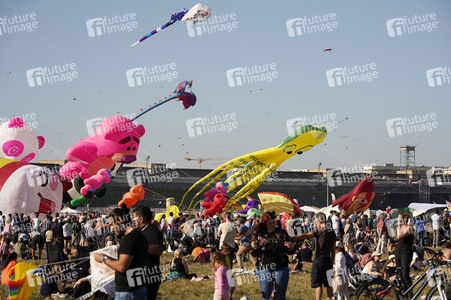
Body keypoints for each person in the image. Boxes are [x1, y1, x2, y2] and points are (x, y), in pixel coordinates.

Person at [93, 207, 148, 299]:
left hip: (128, 292)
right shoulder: (138, 235)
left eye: (112, 225)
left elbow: (122, 267)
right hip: (135, 288)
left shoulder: (129, 239)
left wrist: (103, 258)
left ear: (119, 219)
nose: (112, 229)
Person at [250, 212, 295, 300]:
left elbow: (290, 251)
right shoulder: (261, 235)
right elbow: (255, 253)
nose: (272, 225)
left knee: (280, 296)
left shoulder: (282, 233)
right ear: (265, 224)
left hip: (281, 267)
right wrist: (254, 247)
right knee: (266, 295)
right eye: (270, 223)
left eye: (273, 222)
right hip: (264, 268)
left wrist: (291, 246)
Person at [294, 212, 336, 300]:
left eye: (316, 221)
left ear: (319, 220)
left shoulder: (320, 229)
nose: (316, 223)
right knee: (329, 284)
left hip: (319, 259)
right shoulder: (332, 231)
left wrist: (294, 237)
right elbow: (333, 248)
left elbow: (307, 235)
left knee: (318, 284)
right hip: (328, 259)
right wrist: (332, 261)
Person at [131, 206, 165, 300]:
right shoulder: (142, 230)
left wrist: (140, 241)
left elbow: (158, 250)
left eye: (134, 218)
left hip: (149, 275)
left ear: (141, 219)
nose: (133, 221)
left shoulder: (151, 231)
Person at [395, 212, 414, 294]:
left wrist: (399, 226)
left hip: (406, 251)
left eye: (400, 219)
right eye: (398, 219)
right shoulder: (399, 228)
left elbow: (400, 236)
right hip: (398, 250)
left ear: (405, 219)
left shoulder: (409, 228)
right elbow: (397, 238)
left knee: (405, 273)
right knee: (400, 274)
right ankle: (405, 292)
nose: (398, 221)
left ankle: (410, 293)